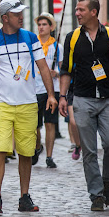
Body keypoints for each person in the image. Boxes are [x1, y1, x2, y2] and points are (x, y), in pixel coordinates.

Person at [0, 0, 57, 214]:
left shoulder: (31, 38)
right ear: (5, 18)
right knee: (0, 149)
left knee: (25, 152)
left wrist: (51, 94)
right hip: (1, 104)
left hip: (28, 104)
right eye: (16, 14)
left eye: (22, 12)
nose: (21, 16)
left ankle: (24, 197)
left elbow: (42, 67)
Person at [59, 0, 109, 211]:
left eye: (81, 9)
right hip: (82, 99)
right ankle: (96, 195)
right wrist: (63, 96)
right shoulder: (72, 37)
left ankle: (108, 180)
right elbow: (66, 69)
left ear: (94, 12)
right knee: (89, 151)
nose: (77, 13)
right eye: (76, 9)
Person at [33, 13, 63, 169]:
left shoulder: (58, 47)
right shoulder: (32, 45)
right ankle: (38, 147)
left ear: (51, 27)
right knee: (35, 125)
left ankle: (49, 156)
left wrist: (56, 73)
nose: (41, 27)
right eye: (39, 25)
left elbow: (63, 69)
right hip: (35, 88)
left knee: (50, 123)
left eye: (44, 24)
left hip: (53, 89)